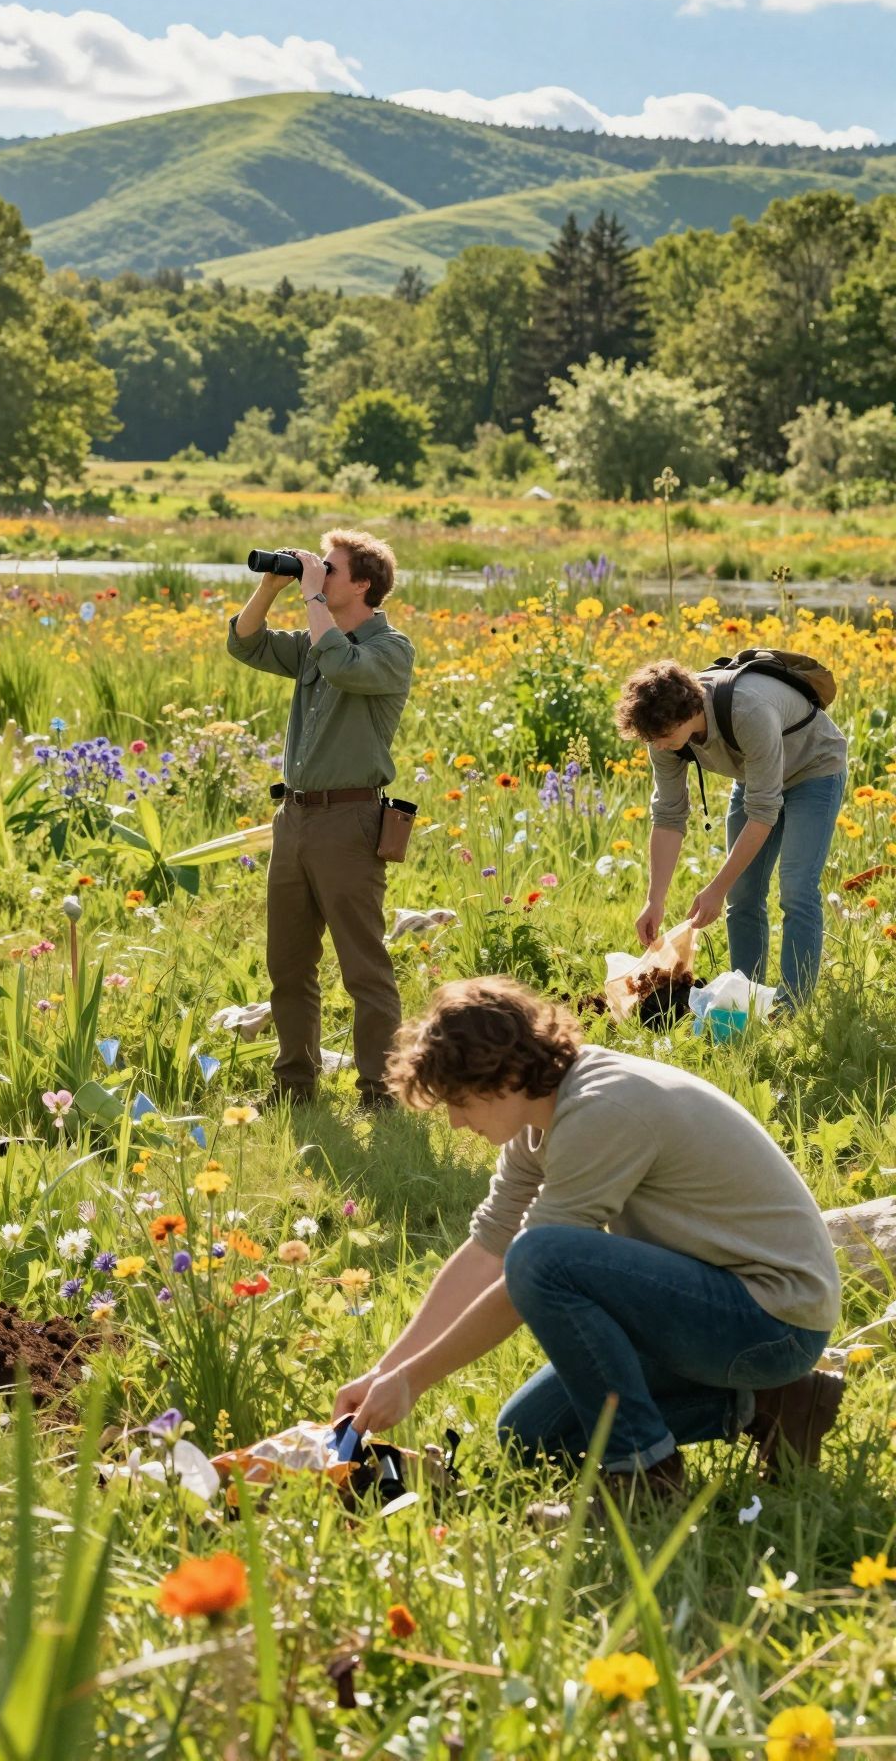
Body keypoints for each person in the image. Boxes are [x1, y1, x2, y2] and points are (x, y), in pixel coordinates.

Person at [332, 978, 844, 1499]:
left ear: (506, 1073)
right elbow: (488, 1247)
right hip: (717, 1310)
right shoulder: (542, 1114)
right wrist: (385, 1371)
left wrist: (414, 1381)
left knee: (542, 1256)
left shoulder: (602, 1109)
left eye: (461, 1101)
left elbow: (526, 1274)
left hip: (773, 1320)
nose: (457, 1122)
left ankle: (643, 1475)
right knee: (528, 1436)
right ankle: (777, 1404)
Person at [226, 530, 414, 1108]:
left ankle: (380, 1092)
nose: (320, 577)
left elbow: (344, 667)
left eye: (329, 570)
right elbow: (246, 644)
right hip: (296, 818)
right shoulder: (313, 638)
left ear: (362, 584)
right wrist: (270, 585)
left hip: (350, 820)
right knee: (287, 964)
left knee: (364, 968)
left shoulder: (391, 648)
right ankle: (294, 1087)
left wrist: (310, 602)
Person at [618, 658, 848, 1006]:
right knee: (742, 895)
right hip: (756, 779)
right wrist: (655, 900)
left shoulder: (748, 710)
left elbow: (763, 813)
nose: (659, 746)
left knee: (797, 888)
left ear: (688, 713)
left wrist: (715, 888)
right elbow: (668, 814)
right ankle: (744, 998)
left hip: (814, 769)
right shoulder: (662, 735)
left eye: (663, 737)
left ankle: (793, 1006)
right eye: (654, 740)